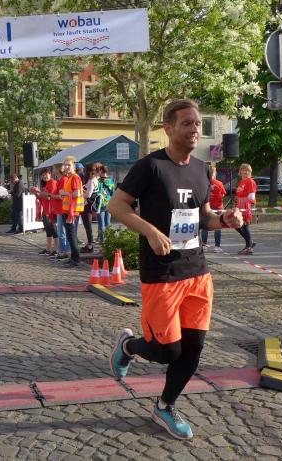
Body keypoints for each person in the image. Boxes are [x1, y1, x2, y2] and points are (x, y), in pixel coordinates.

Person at [108, 98, 243, 440]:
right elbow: (117, 205)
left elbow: (204, 217)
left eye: (197, 123)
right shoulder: (150, 166)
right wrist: (150, 232)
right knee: (167, 350)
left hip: (197, 272)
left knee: (193, 348)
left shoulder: (202, 169)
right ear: (168, 128)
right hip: (162, 274)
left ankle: (165, 406)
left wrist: (224, 220)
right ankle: (128, 347)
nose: (194, 129)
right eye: (186, 123)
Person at [58, 156, 84, 267]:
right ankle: (73, 258)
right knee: (70, 235)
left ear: (74, 166)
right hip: (68, 210)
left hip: (72, 211)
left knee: (71, 235)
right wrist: (64, 193)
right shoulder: (69, 177)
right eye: (65, 165)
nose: (66, 167)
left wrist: (64, 193)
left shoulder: (75, 178)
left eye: (69, 165)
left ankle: (76, 259)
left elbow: (76, 194)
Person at [31, 168, 59, 256]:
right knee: (48, 230)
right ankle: (48, 249)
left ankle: (56, 249)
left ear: (50, 174)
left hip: (51, 210)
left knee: (54, 230)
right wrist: (35, 193)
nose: (44, 176)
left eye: (46, 174)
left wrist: (38, 191)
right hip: (45, 210)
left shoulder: (53, 182)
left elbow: (49, 196)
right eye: (42, 175)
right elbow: (41, 198)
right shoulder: (45, 184)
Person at [201, 162, 226, 253]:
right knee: (218, 227)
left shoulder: (203, 183)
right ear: (215, 173)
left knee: (205, 227)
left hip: (207, 208)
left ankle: (204, 245)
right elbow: (223, 194)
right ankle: (217, 246)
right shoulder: (219, 183)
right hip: (218, 208)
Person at [235, 163, 257, 255]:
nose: (245, 172)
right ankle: (250, 243)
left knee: (244, 226)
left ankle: (248, 247)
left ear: (250, 172)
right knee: (236, 225)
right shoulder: (241, 182)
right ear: (240, 172)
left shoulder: (250, 181)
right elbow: (238, 194)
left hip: (247, 205)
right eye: (243, 170)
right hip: (240, 205)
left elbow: (251, 196)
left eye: (248, 170)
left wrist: (243, 202)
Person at [52, 164, 70, 260]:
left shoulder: (63, 180)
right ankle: (63, 251)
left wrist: (49, 195)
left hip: (63, 209)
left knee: (62, 231)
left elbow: (61, 196)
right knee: (62, 231)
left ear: (58, 169)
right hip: (60, 208)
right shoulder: (60, 180)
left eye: (54, 168)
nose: (53, 170)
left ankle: (63, 252)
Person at [80, 162, 99, 252]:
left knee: (87, 225)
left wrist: (79, 194)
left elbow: (89, 195)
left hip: (87, 205)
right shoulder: (94, 179)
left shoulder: (92, 181)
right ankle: (90, 244)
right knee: (88, 225)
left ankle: (90, 245)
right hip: (89, 205)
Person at [95, 164, 115, 242]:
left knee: (101, 223)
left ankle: (102, 240)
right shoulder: (111, 180)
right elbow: (113, 193)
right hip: (109, 202)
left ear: (101, 171)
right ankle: (108, 239)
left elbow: (96, 192)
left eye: (99, 170)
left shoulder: (98, 181)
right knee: (108, 222)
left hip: (101, 203)